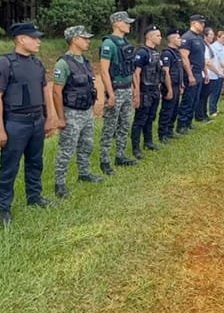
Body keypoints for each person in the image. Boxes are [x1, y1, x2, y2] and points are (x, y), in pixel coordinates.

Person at [0, 23, 60, 225]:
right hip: (15, 122)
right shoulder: (4, 63)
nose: (39, 41)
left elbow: (45, 90)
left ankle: (35, 196)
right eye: (34, 38)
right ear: (21, 39)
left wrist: (49, 117)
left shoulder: (37, 64)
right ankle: (3, 209)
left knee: (35, 162)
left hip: (36, 120)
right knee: (9, 167)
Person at [51, 26, 102, 199]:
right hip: (71, 112)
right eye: (84, 38)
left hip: (86, 110)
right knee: (67, 149)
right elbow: (57, 91)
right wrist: (60, 117)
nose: (88, 41)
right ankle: (60, 183)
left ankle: (84, 173)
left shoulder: (86, 62)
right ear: (74, 39)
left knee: (86, 145)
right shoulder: (63, 63)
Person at [98, 11, 138, 175]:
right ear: (116, 23)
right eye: (126, 22)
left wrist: (135, 88)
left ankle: (120, 155)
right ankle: (105, 160)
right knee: (110, 127)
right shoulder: (109, 43)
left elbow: (131, 68)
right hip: (116, 89)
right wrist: (110, 93)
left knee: (124, 124)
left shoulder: (124, 41)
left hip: (127, 87)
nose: (129, 25)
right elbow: (104, 70)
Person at [131, 25, 163, 158]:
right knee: (140, 119)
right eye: (157, 35)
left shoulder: (155, 52)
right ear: (149, 37)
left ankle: (148, 142)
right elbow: (136, 74)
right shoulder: (142, 53)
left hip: (154, 90)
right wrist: (137, 93)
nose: (160, 38)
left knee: (150, 117)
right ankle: (136, 148)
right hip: (144, 91)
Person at [177, 15, 207, 135]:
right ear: (194, 23)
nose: (203, 25)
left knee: (195, 99)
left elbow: (201, 57)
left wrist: (205, 72)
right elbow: (184, 57)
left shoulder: (199, 38)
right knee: (188, 99)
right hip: (191, 72)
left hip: (199, 72)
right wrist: (189, 75)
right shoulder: (187, 38)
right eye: (201, 23)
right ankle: (181, 124)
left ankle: (188, 122)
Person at [157, 29, 183, 143]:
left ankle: (170, 130)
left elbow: (179, 70)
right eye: (178, 38)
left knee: (174, 109)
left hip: (177, 85)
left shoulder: (177, 52)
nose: (180, 40)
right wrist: (169, 88)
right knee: (167, 110)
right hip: (170, 85)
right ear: (171, 39)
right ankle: (162, 134)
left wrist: (181, 84)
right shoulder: (167, 53)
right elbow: (166, 72)